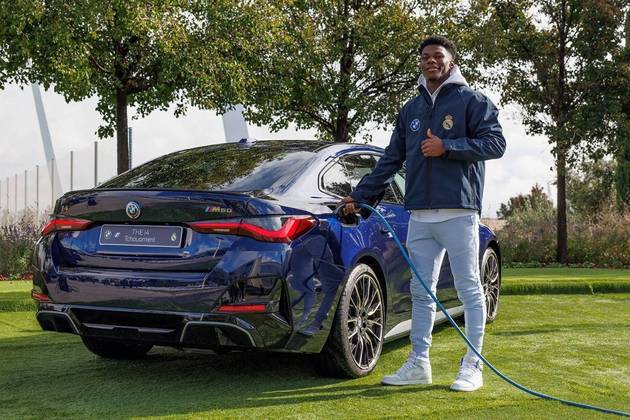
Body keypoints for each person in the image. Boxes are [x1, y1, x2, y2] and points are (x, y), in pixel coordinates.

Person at [339, 36, 506, 391]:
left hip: (459, 212)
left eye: (438, 56)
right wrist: (359, 195)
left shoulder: (472, 101)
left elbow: (495, 143)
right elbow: (390, 160)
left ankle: (472, 366)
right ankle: (419, 363)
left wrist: (448, 146)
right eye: (426, 56)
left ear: (451, 62)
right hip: (419, 214)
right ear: (420, 62)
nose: (431, 61)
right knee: (421, 292)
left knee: (469, 291)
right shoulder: (411, 109)